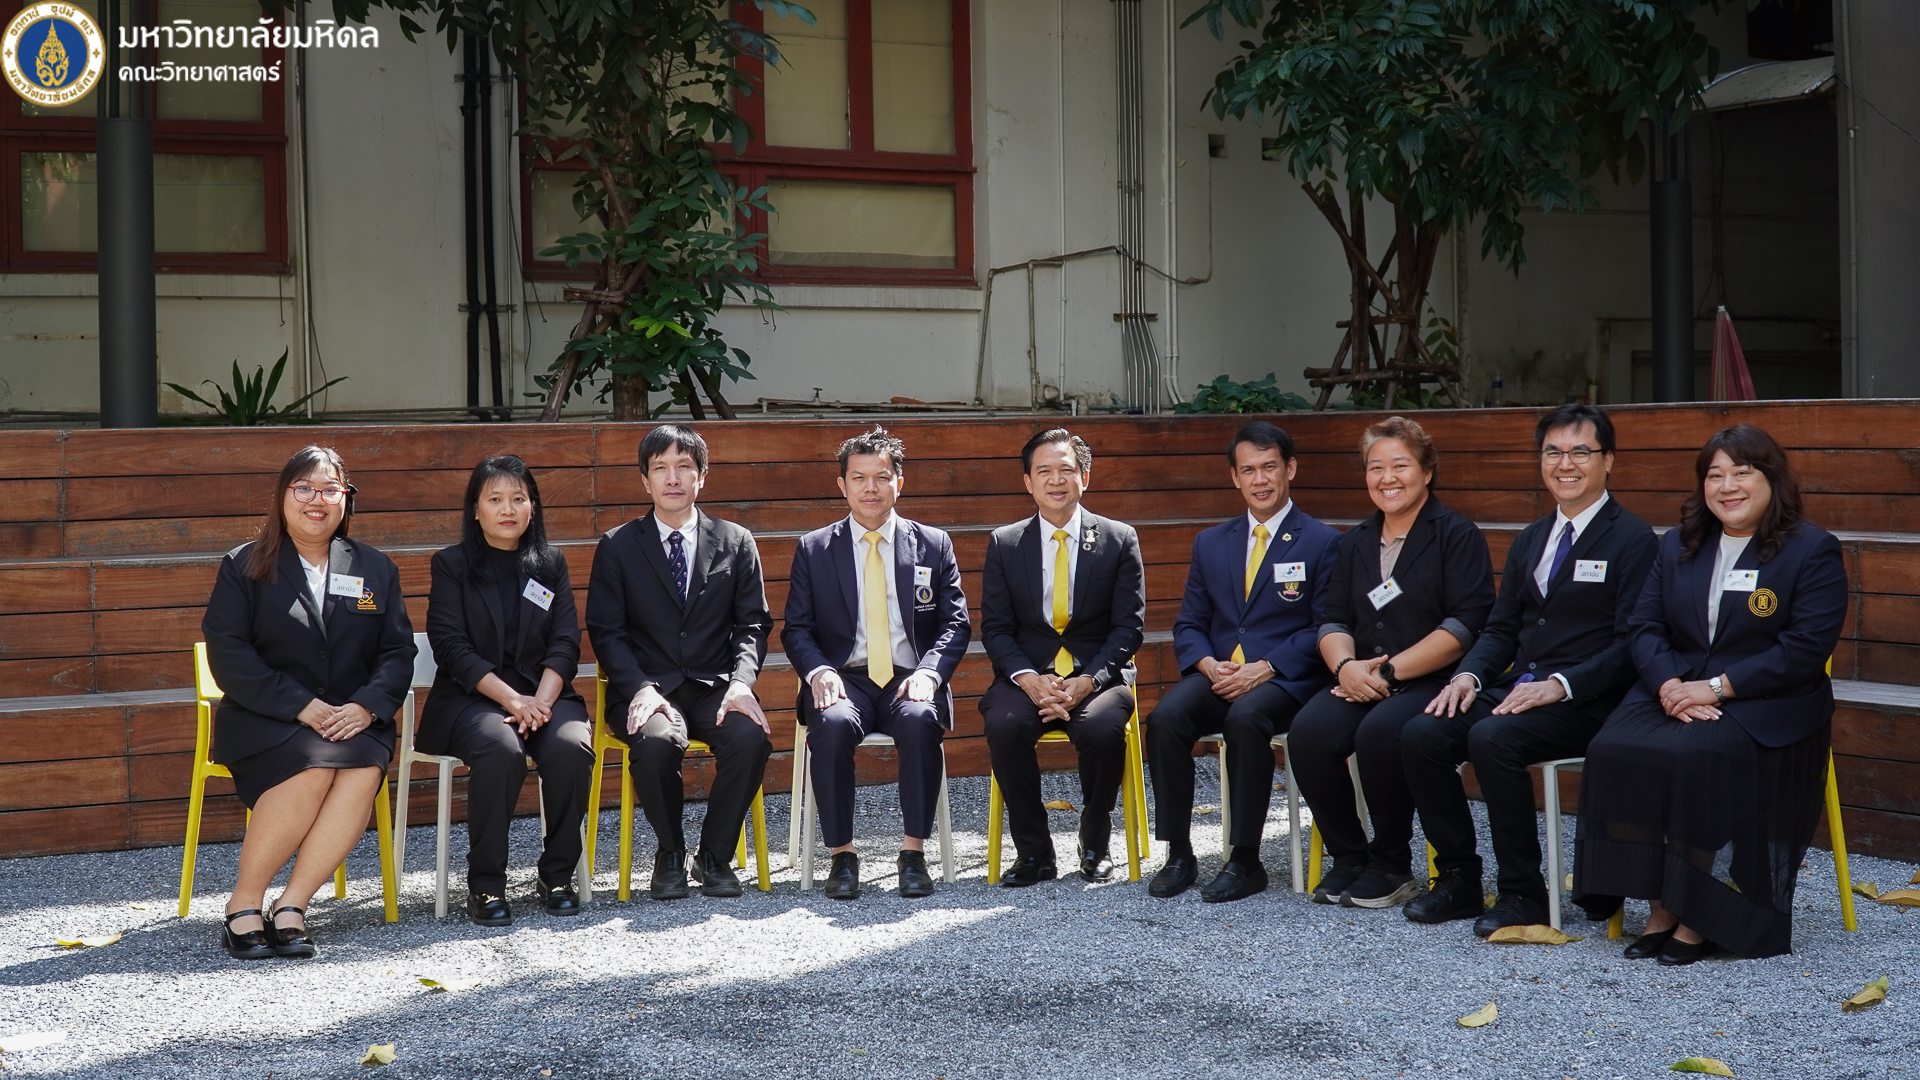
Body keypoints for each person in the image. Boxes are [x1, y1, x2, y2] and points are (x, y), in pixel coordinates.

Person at [1575, 424, 1846, 964]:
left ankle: (1699, 913)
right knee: (1612, 748)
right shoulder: (1679, 543)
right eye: (1715, 475)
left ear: (1771, 478)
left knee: (1696, 756)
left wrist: (1718, 688)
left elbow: (1804, 648)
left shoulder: (1811, 549)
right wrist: (1670, 685)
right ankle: (1660, 903)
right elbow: (1645, 626)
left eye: (1742, 472)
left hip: (1767, 700)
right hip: (1675, 686)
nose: (1727, 486)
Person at [1403, 404, 1658, 933]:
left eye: (1580, 452)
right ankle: (1459, 878)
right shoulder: (1532, 537)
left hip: (1591, 700)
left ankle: (1523, 892)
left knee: (1493, 738)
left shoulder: (1633, 540)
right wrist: (1468, 677)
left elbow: (1633, 643)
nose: (1565, 464)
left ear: (1608, 460)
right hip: (1521, 690)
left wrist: (1560, 685)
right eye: (1553, 453)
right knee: (1423, 733)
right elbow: (1500, 629)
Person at [201, 446, 416, 959]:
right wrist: (300, 705)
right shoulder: (245, 565)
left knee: (362, 767)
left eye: (329, 489)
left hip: (351, 719)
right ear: (283, 496)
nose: (316, 500)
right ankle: (243, 903)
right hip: (266, 716)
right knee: (314, 767)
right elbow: (228, 653)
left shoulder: (375, 568)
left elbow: (396, 651)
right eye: (304, 488)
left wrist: (367, 706)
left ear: (346, 499)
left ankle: (293, 905)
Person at [1290, 415, 1494, 909]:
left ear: (1427, 471)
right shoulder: (1355, 541)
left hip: (1431, 679)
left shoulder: (1456, 535)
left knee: (1380, 732)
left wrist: (1387, 671)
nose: (1387, 478)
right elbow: (1332, 619)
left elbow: (1465, 624)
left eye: (1400, 465)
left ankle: (1391, 864)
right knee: (1309, 733)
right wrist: (1346, 668)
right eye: (1375, 467)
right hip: (1360, 677)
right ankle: (1349, 856)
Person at [1145, 420, 1342, 901]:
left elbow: (1325, 625)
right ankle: (1179, 853)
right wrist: (1207, 665)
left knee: (1246, 717)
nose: (1260, 479)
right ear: (1234, 477)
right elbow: (1190, 622)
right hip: (1222, 673)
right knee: (1165, 718)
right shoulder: (1212, 541)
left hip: (1287, 678)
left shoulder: (1323, 541)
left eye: (1269, 467)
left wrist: (1267, 666)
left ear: (1290, 469)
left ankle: (1245, 860)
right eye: (1248, 470)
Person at [781, 427, 972, 900]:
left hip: (909, 678)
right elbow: (796, 629)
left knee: (921, 721)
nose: (871, 488)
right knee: (830, 726)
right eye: (859, 478)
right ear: (842, 485)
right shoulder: (814, 548)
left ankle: (913, 853)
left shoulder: (932, 544)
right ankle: (842, 855)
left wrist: (930, 673)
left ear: (898, 483)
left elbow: (955, 623)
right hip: (845, 679)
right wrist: (819, 671)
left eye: (882, 477)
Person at [585, 424, 773, 900]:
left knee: (750, 739)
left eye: (684, 467)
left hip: (714, 688)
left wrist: (742, 683)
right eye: (660, 468)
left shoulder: (735, 540)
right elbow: (606, 631)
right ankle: (670, 852)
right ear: (645, 480)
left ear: (701, 477)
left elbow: (752, 625)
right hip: (644, 688)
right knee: (655, 744)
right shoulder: (618, 545)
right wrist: (640, 688)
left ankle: (714, 856)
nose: (673, 478)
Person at [421, 455, 595, 926]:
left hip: (545, 695)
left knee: (571, 746)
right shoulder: (451, 565)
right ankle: (486, 885)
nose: (507, 509)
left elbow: (565, 642)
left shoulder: (550, 563)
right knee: (502, 749)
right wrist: (513, 701)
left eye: (518, 498)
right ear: (475, 510)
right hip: (471, 698)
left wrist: (540, 701)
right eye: (495, 499)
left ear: (532, 507)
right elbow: (451, 647)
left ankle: (557, 875)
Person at [980, 427, 1146, 885]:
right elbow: (995, 628)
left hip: (1098, 676)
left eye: (1066, 470)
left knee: (1101, 729)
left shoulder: (1118, 539)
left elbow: (1129, 627)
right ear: (1028, 482)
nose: (1056, 480)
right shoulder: (1005, 543)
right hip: (1028, 676)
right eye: (1044, 471)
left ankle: (1095, 841)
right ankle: (1034, 851)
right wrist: (1028, 678)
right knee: (1004, 724)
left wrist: (1089, 680)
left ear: (1084, 477)